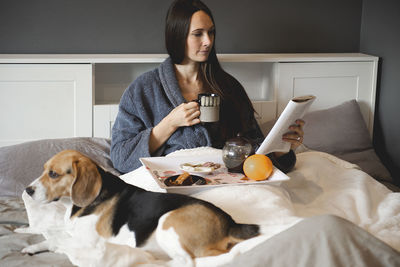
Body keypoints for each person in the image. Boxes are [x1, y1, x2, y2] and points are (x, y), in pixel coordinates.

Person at [110, 0, 304, 173]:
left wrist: (281, 149)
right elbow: (121, 158)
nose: (208, 41)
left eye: (211, 32)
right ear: (177, 36)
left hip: (226, 180)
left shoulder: (229, 87)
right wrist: (169, 124)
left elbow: (254, 149)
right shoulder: (142, 90)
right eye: (198, 34)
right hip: (173, 183)